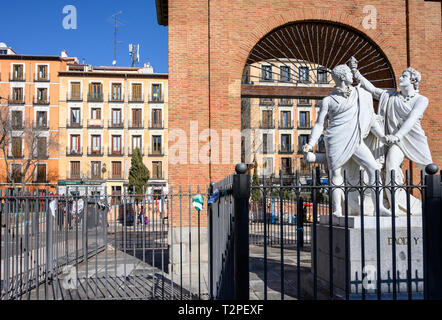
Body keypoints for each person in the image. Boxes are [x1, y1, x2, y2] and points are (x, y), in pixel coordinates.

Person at [303, 64, 391, 217]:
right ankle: (338, 209)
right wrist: (311, 144)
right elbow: (319, 124)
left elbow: (370, 119)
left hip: (355, 139)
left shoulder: (361, 94)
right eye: (350, 73)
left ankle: (379, 207)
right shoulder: (328, 101)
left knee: (373, 170)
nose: (353, 76)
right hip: (335, 139)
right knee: (335, 174)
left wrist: (382, 136)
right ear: (343, 77)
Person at [350, 61, 433, 213]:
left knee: (429, 170)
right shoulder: (391, 96)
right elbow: (373, 89)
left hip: (414, 138)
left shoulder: (420, 99)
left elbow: (412, 119)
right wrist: (356, 74)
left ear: (413, 80)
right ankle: (393, 207)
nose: (400, 78)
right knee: (391, 167)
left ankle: (434, 203)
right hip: (396, 142)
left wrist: (398, 135)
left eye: (404, 76)